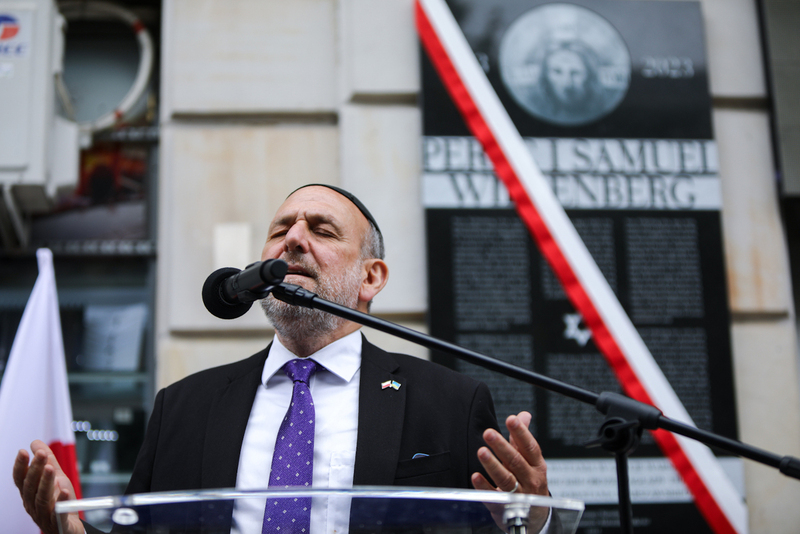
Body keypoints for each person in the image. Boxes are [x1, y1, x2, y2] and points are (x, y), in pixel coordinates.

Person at [13, 184, 551, 533]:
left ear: (371, 277)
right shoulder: (184, 406)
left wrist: (535, 520)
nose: (293, 239)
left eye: (321, 230)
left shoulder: (449, 403)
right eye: (280, 230)